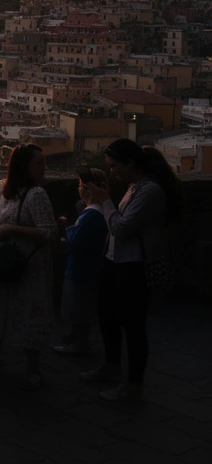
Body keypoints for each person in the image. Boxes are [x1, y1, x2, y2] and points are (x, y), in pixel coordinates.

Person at [83, 140, 180, 402]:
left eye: (114, 166)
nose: (112, 171)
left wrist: (105, 202)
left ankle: (133, 383)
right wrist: (104, 198)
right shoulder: (134, 188)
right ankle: (112, 365)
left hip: (133, 266)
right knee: (107, 315)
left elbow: (122, 227)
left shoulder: (150, 192)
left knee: (133, 325)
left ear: (130, 163)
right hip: (116, 261)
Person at [0, 143, 56, 391]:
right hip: (11, 264)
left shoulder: (35, 194)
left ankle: (24, 365)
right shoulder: (1, 188)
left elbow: (48, 232)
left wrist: (13, 229)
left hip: (26, 267)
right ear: (25, 166)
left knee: (20, 313)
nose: (45, 168)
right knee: (3, 311)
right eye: (39, 163)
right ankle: (5, 362)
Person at [53, 168, 111, 357]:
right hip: (87, 268)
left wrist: (66, 230)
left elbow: (76, 243)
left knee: (79, 309)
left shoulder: (92, 214)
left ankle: (79, 344)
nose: (80, 189)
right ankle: (74, 338)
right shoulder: (97, 211)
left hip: (82, 270)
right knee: (78, 307)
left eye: (82, 186)